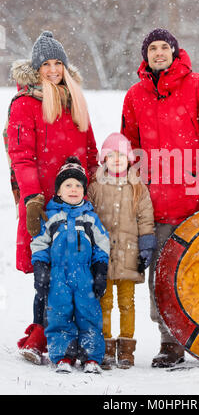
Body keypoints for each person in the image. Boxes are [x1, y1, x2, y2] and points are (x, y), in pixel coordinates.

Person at [121, 28, 199, 368]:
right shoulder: (135, 96)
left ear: (175, 53)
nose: (159, 53)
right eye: (152, 48)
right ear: (145, 56)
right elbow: (130, 145)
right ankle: (170, 342)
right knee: (161, 279)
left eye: (165, 47)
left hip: (197, 204)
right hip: (156, 207)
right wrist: (129, 188)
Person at [5, 31, 99, 364]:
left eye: (58, 63)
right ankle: (40, 334)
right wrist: (31, 198)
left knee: (75, 272)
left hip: (76, 202)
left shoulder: (76, 100)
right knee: (46, 272)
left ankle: (65, 335)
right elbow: (21, 155)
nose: (53, 69)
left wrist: (95, 189)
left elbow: (90, 153)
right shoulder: (24, 104)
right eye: (46, 64)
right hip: (43, 202)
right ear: (36, 67)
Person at [30, 157, 109, 373]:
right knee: (58, 314)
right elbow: (39, 243)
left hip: (85, 276)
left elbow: (102, 243)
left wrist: (100, 270)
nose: (73, 189)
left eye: (78, 185)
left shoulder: (91, 218)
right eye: (68, 185)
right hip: (58, 276)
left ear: (84, 190)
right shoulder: (51, 217)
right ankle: (63, 355)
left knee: (89, 315)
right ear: (58, 191)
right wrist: (40, 268)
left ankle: (91, 357)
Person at [87, 132, 156, 369]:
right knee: (104, 303)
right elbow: (89, 218)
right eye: (111, 156)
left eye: (121, 156)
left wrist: (146, 246)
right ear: (103, 160)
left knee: (127, 303)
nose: (116, 160)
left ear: (129, 159)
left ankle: (126, 350)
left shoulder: (138, 188)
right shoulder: (95, 187)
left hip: (129, 255)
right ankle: (105, 347)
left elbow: (146, 219)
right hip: (103, 257)